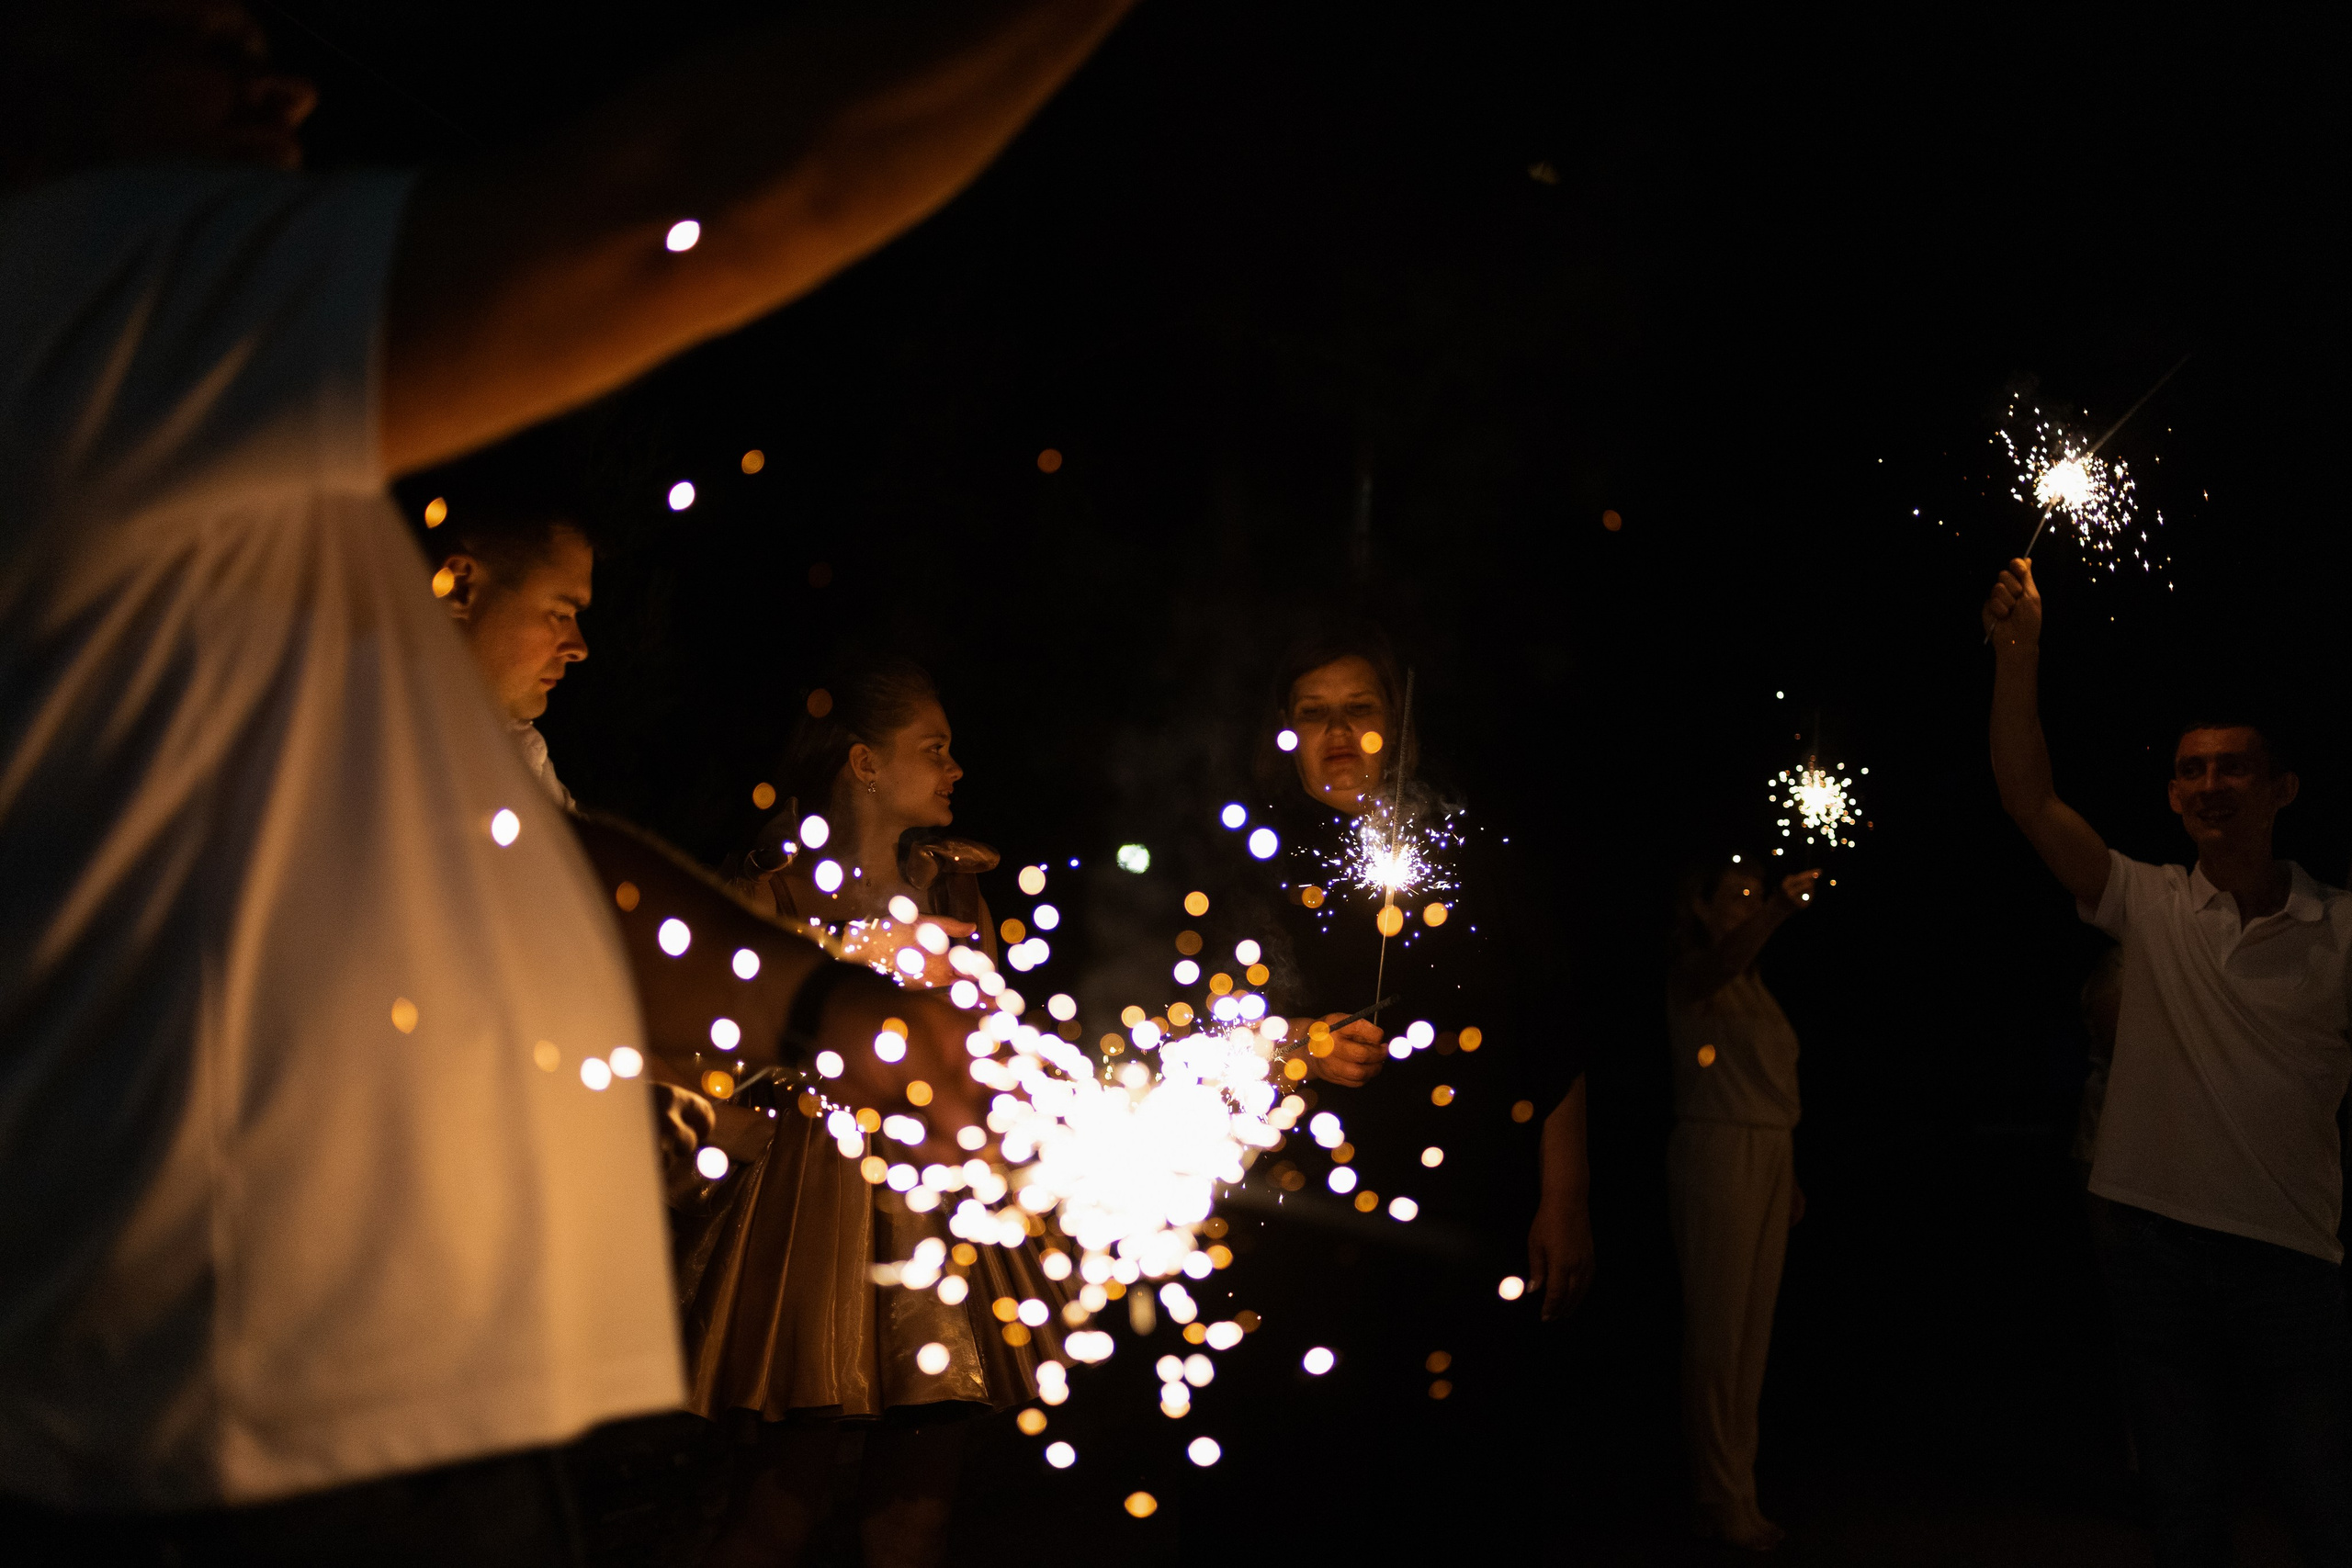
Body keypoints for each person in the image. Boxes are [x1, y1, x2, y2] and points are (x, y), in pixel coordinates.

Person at [0, 1, 1127, 1558]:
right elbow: (697, 200)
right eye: (193, 30)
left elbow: (506, 857)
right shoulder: (73, 299)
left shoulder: (229, 495)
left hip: (410, 1410)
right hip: (218, 1430)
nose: (286, 81)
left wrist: (833, 1016)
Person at [1984, 557, 2352, 1566]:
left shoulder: (2342, 928)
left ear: (2280, 789)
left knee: (2325, 1501)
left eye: (2232, 767)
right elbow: (2028, 798)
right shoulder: (2144, 902)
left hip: (2289, 1256)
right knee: (2183, 1507)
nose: (2207, 784)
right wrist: (2018, 658)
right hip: (2149, 1244)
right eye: (2190, 770)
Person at [689, 662, 1061, 1568]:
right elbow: (716, 1047)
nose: (954, 769)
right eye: (931, 749)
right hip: (810, 1213)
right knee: (778, 1508)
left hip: (940, 1209)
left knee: (914, 1516)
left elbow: (992, 1039)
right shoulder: (770, 890)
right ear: (861, 762)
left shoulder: (957, 890)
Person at [1259, 634, 1594, 1319]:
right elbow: (1199, 1029)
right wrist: (1298, 1043)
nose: (1340, 731)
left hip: (1473, 1211)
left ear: (1400, 725)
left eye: (1359, 707)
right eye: (1314, 712)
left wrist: (1565, 1200)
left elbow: (1554, 1032)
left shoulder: (1478, 858)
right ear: (1288, 734)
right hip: (1317, 1220)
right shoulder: (1255, 868)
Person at [1667, 858, 1816, 1550]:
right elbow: (1720, 962)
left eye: (1757, 893)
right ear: (1699, 907)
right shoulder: (1699, 972)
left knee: (1752, 1330)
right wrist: (1779, 910)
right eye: (1737, 894)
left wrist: (1786, 1172)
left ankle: (1739, 1489)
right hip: (1718, 1149)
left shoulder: (1755, 984)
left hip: (1766, 1149)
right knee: (1719, 1327)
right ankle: (1717, 1492)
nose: (1750, 902)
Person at [422, 492, 597, 809]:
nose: (579, 649)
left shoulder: (523, 759)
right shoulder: (382, 752)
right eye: (560, 614)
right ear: (461, 587)